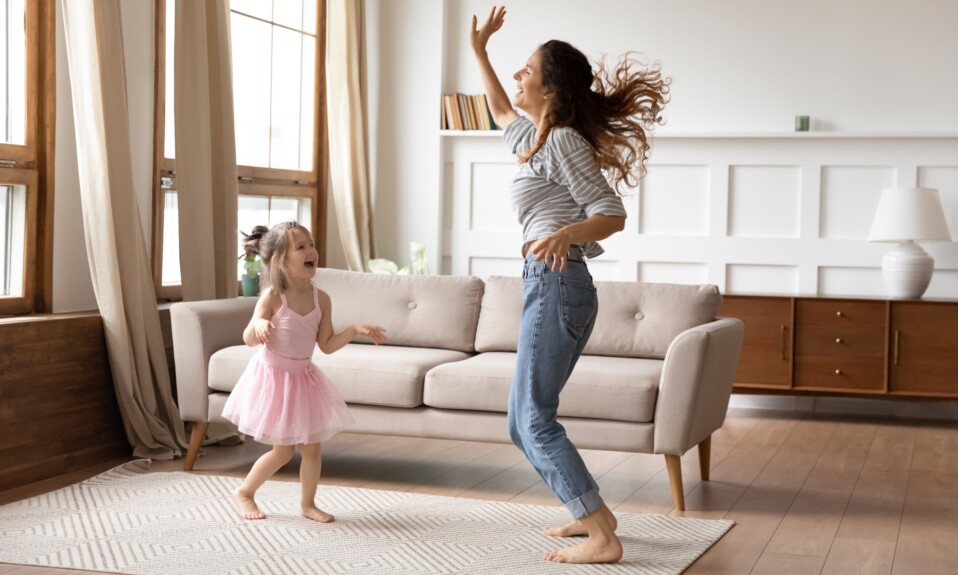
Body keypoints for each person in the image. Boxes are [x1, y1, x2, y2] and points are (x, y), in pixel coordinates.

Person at [470, 6, 670, 564]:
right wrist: (479, 51)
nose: (518, 77)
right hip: (548, 283)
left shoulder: (561, 143)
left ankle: (603, 539)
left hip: (559, 283)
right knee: (521, 420)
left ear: (552, 87)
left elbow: (610, 212)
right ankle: (597, 517)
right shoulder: (537, 141)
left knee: (533, 419)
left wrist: (566, 233)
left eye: (527, 69)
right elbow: (498, 107)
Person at [222, 221, 387, 522]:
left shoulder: (320, 298)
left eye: (311, 244)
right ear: (280, 261)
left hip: (303, 379)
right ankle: (244, 492)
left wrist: (353, 330)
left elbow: (326, 344)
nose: (312, 250)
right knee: (283, 451)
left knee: (311, 448)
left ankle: (307, 504)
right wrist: (258, 326)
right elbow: (248, 338)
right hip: (273, 379)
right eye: (301, 247)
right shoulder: (273, 296)